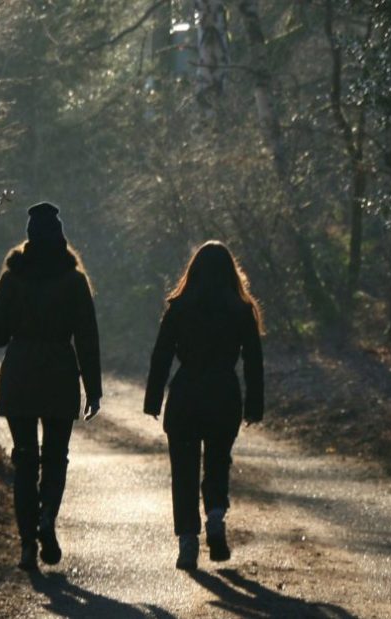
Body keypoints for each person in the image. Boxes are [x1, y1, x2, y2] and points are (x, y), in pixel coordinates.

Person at [0, 202, 102, 571]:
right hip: (59, 374)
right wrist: (93, 388)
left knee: (24, 459)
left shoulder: (12, 277)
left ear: (29, 236)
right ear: (60, 236)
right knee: (55, 457)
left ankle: (26, 546)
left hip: (20, 374)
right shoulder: (74, 280)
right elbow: (87, 338)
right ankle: (47, 516)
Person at [144, 241, 264, 570]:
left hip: (185, 395)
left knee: (183, 470)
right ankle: (214, 517)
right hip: (224, 395)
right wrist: (254, 404)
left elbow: (162, 354)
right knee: (217, 462)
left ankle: (187, 541)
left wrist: (153, 398)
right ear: (230, 273)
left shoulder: (179, 307)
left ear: (193, 271)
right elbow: (254, 360)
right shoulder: (241, 310)